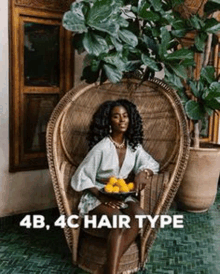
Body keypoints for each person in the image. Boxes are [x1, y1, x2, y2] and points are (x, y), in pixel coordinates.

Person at [71, 99, 159, 274]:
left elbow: (151, 163)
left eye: (125, 116)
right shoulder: (102, 147)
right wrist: (102, 196)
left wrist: (144, 172)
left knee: (140, 215)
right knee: (119, 220)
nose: (122, 120)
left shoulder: (133, 147)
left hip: (120, 193)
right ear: (109, 121)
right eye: (116, 116)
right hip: (98, 195)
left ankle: (106, 270)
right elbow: (80, 176)